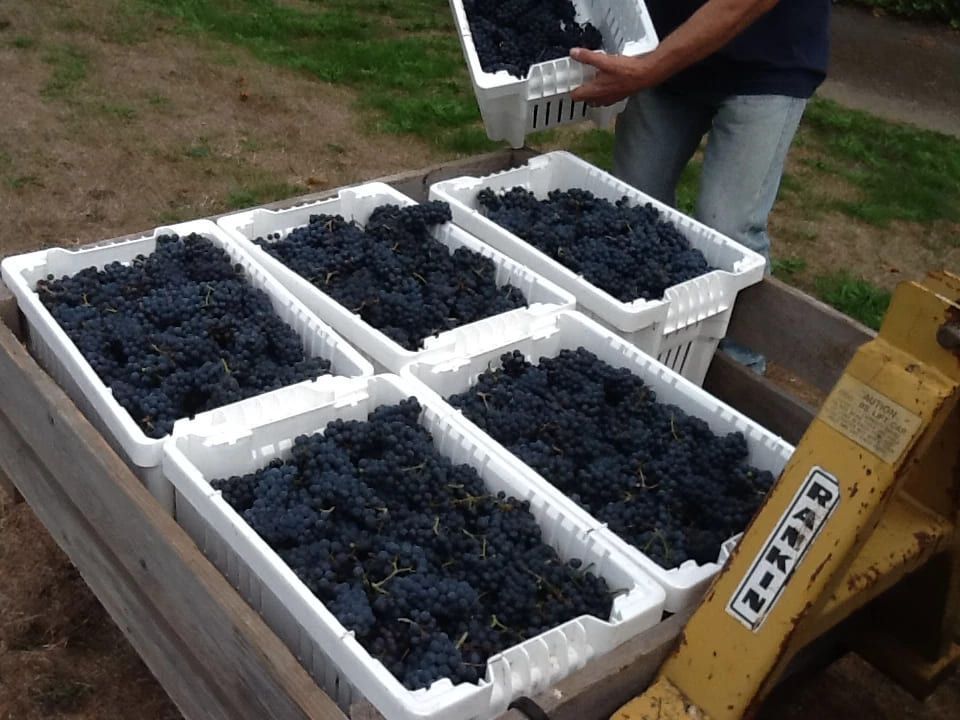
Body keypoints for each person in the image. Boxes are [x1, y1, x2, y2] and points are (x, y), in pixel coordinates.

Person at [571, 0, 831, 269]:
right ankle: (646, 303)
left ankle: (737, 309)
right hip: (662, 43)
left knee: (728, 236)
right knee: (633, 206)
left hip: (769, 62)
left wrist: (648, 69)